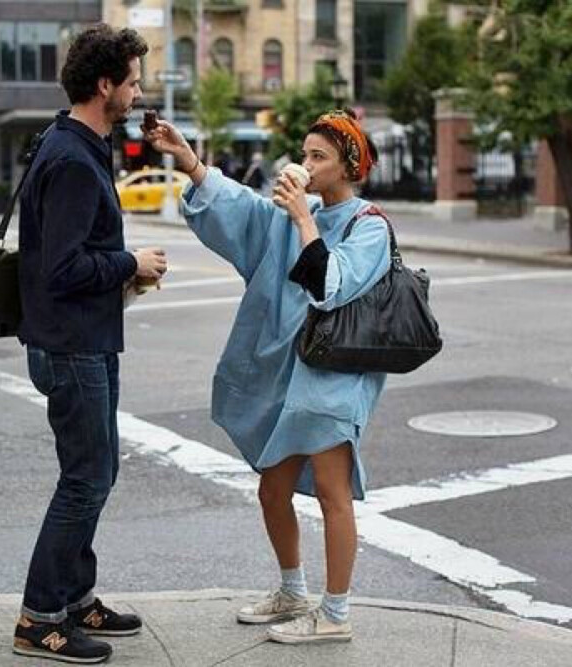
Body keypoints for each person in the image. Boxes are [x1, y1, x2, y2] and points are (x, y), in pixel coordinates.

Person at [143, 109, 387, 644]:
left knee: (331, 492)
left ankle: (337, 614)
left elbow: (331, 286)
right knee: (272, 491)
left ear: (349, 164)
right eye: (304, 154)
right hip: (289, 378)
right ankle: (293, 591)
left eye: (318, 157)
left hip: (333, 377)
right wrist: (189, 162)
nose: (305, 164)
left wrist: (303, 217)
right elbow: (243, 213)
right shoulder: (289, 215)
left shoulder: (368, 227)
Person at [13, 24, 167, 664]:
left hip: (83, 338)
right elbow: (63, 268)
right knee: (85, 478)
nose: (138, 92)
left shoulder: (72, 141)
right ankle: (40, 618)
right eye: (132, 81)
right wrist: (131, 264)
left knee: (96, 473)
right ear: (105, 85)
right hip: (72, 344)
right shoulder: (73, 158)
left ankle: (77, 599)